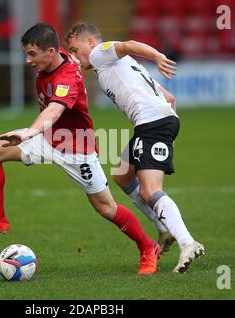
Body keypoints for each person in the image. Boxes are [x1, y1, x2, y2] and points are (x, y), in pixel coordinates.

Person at [0, 23, 161, 274]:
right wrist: (35, 133)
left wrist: (30, 132)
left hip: (75, 146)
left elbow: (55, 110)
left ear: (50, 52)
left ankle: (147, 248)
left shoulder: (68, 76)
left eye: (32, 54)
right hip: (47, 138)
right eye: (26, 53)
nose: (27, 60)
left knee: (105, 207)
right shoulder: (53, 59)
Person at [65, 22, 205, 273]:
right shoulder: (128, 67)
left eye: (75, 49)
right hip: (158, 123)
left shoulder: (99, 54)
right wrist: (167, 134)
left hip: (153, 124)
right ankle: (164, 228)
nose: (74, 57)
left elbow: (128, 45)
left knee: (150, 191)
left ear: (89, 42)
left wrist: (159, 56)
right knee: (122, 174)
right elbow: (170, 98)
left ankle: (187, 242)